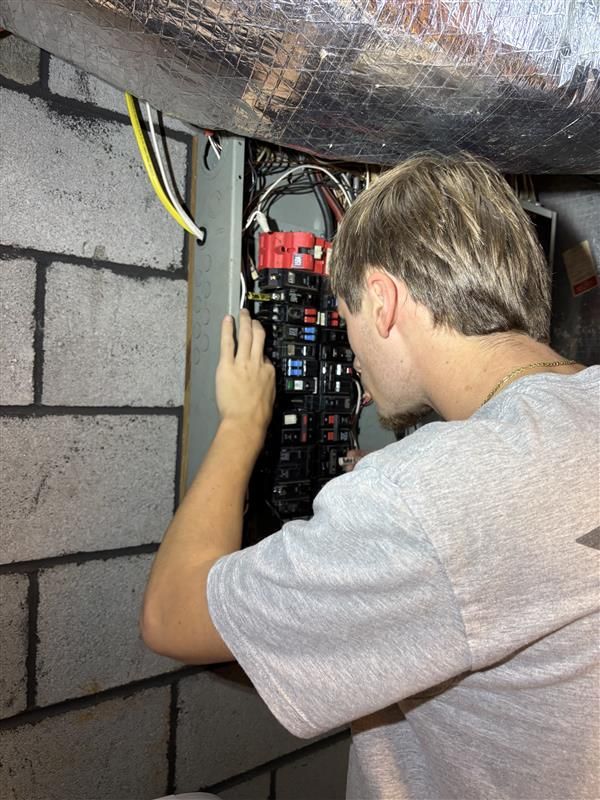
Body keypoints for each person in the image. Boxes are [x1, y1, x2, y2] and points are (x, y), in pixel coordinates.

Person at [140, 153, 599, 800]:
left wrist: (243, 423)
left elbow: (171, 615)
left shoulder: (424, 496)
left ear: (381, 300)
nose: (350, 350)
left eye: (346, 311)